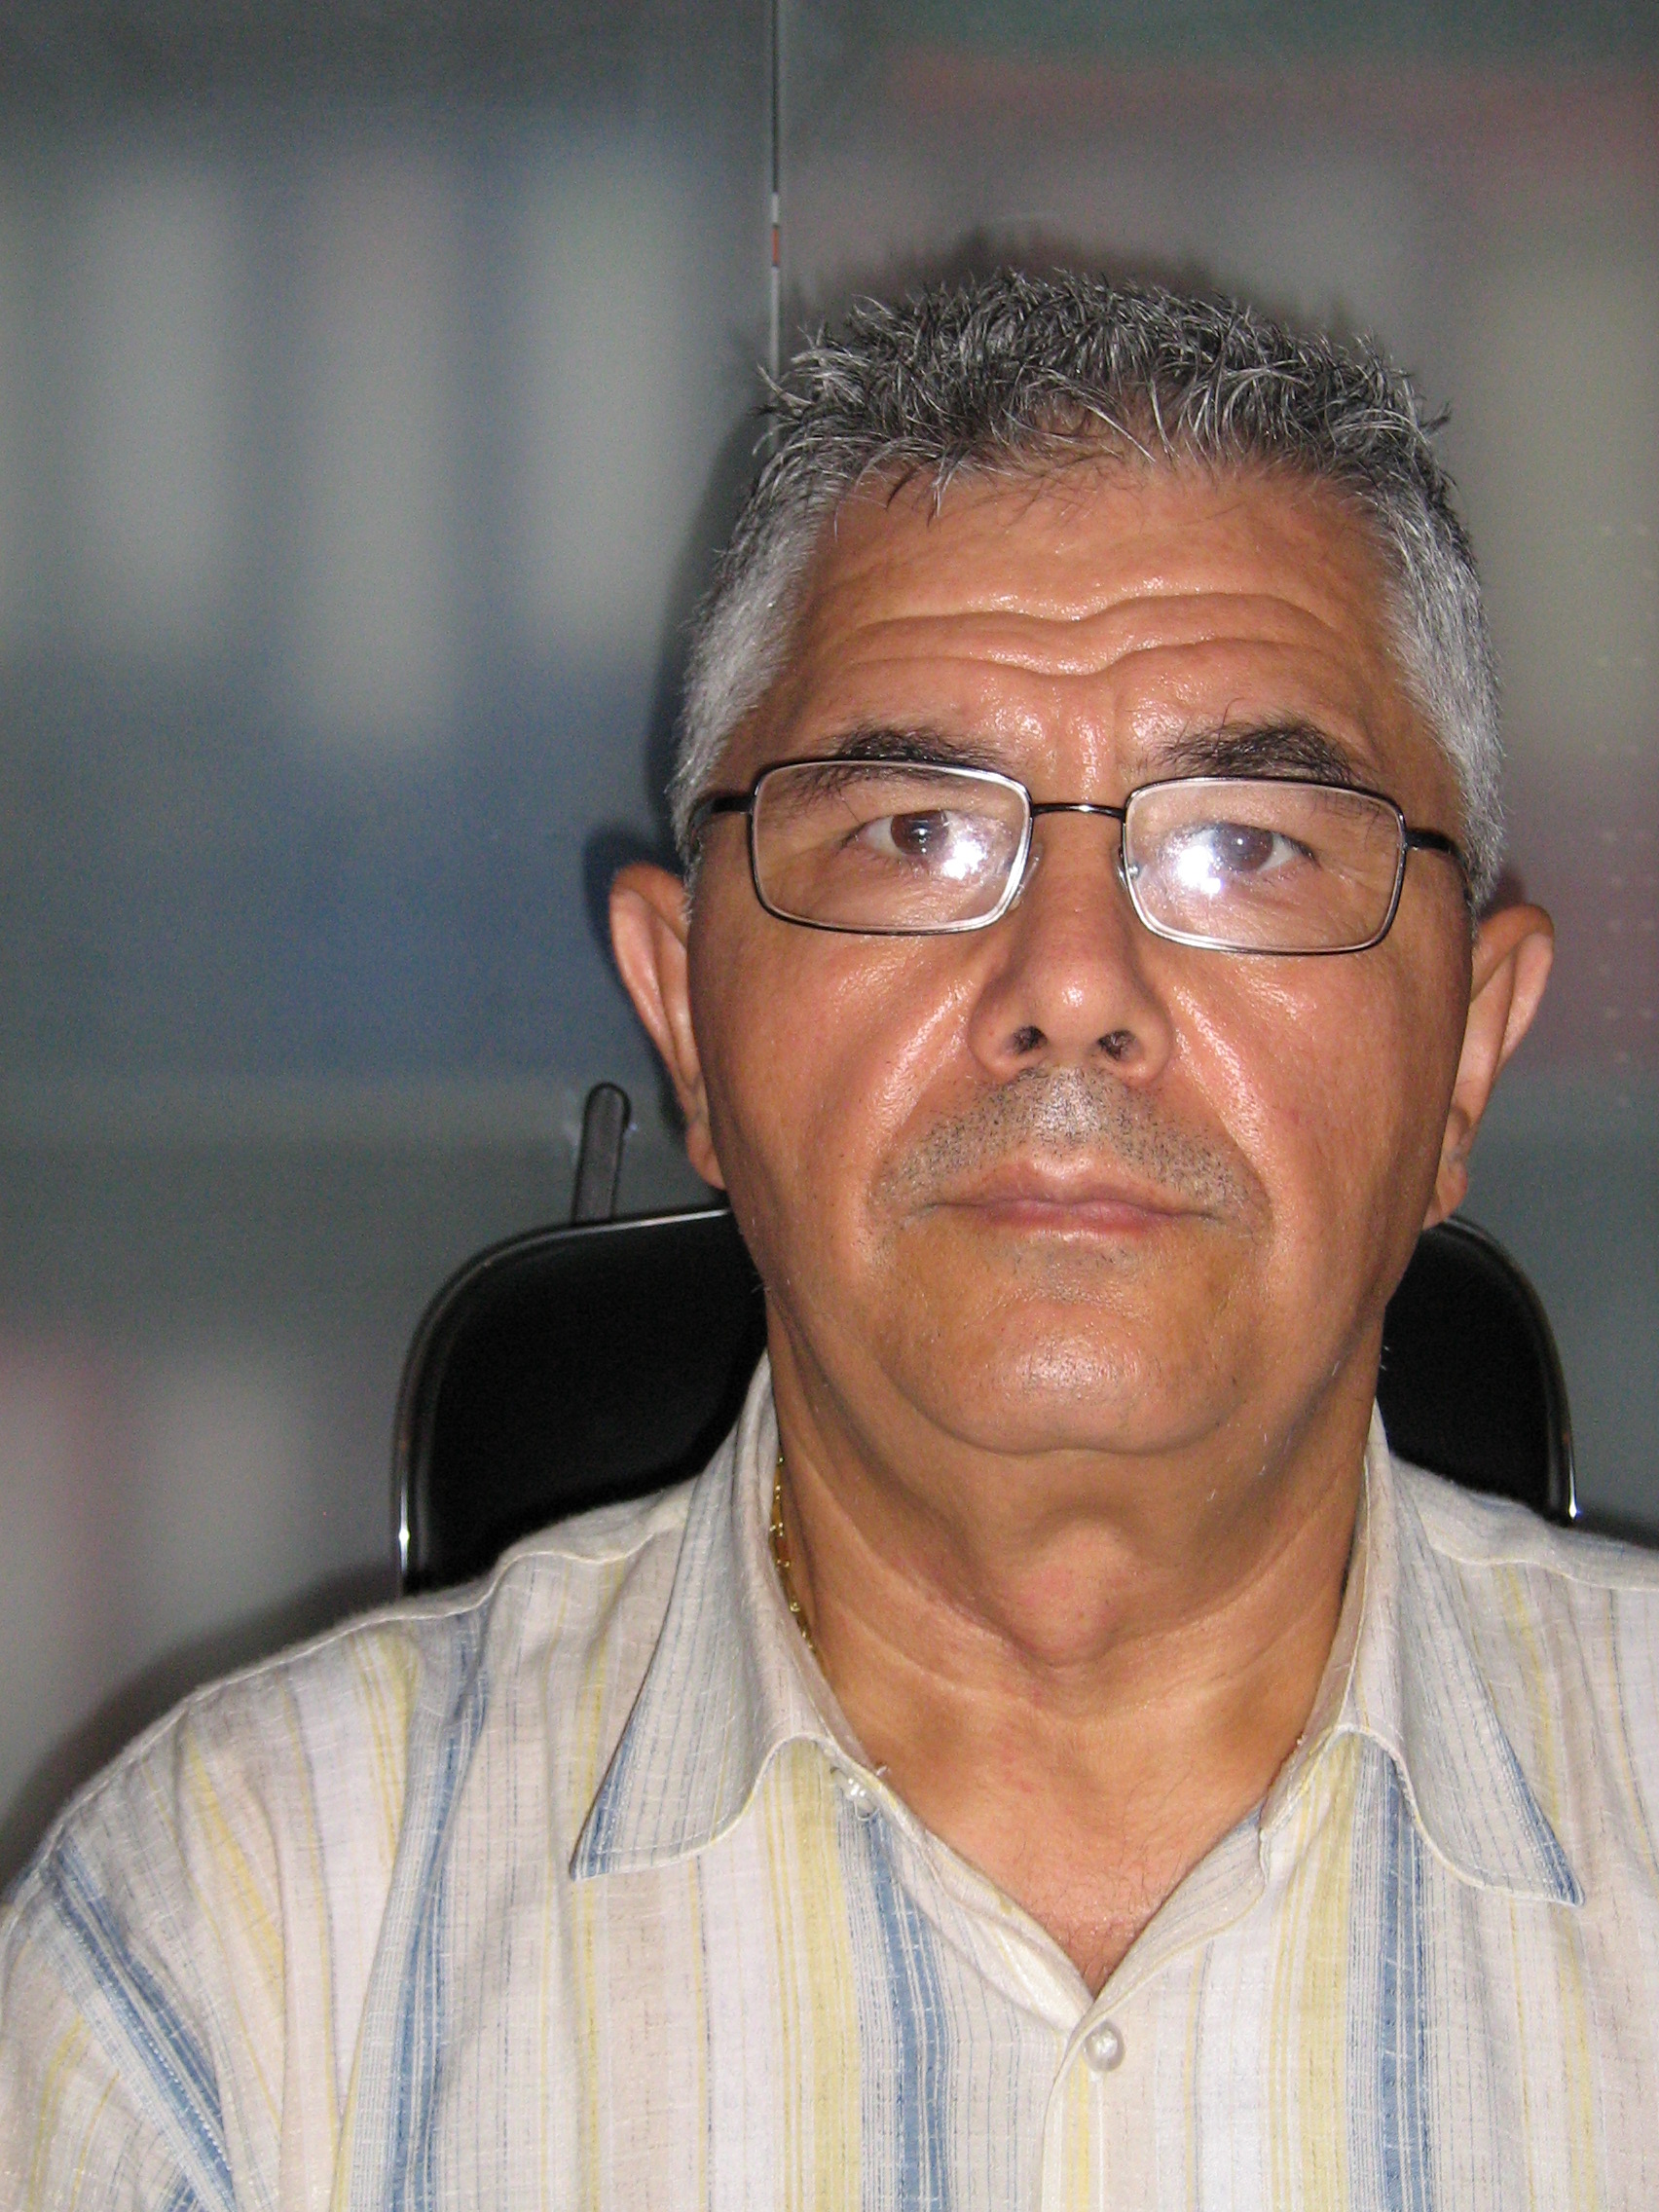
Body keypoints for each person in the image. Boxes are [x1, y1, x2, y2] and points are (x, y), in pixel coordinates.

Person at [3, 271, 1656, 2209]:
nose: (1071, 986)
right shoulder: (229, 1964)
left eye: (1246, 846)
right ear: (686, 1013)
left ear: (1469, 1050)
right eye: (913, 835)